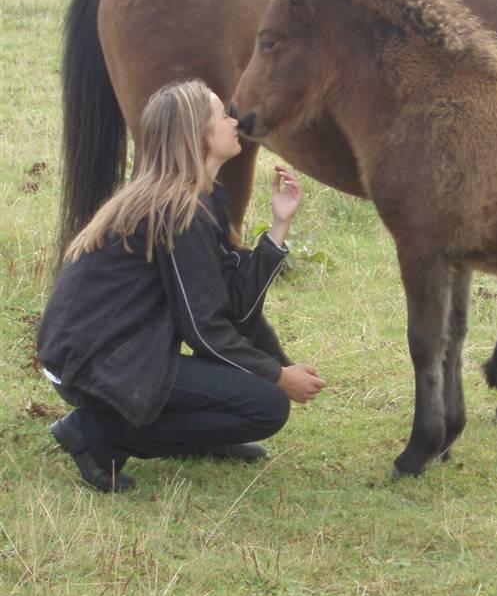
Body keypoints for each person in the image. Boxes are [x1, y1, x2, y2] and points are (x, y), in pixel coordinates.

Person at [38, 80, 325, 492]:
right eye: (221, 115)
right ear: (198, 136)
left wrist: (279, 227)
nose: (232, 119)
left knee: (254, 392)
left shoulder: (192, 201)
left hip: (103, 356)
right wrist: (278, 375)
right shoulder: (180, 211)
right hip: (95, 366)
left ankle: (204, 435)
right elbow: (205, 329)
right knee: (267, 406)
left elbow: (232, 306)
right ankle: (96, 433)